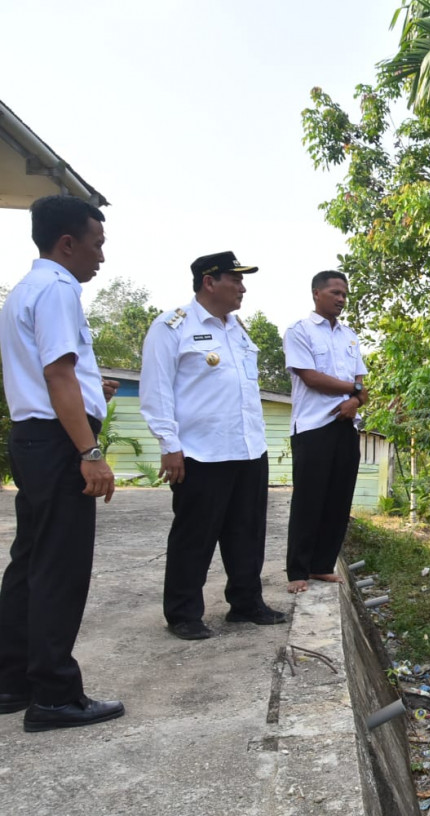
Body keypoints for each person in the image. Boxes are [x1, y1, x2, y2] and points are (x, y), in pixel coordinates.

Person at [0, 195, 125, 732]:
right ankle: (54, 694)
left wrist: (96, 390)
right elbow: (57, 376)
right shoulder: (57, 290)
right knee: (59, 567)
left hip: (31, 437)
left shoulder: (24, 290)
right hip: (57, 444)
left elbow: (50, 374)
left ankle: (11, 681)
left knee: (29, 562)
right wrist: (90, 453)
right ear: (67, 243)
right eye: (96, 245)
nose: (101, 256)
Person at [140, 251, 286, 640]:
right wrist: (169, 445)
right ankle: (184, 613)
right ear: (209, 281)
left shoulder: (237, 329)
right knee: (195, 535)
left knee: (247, 532)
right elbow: (156, 391)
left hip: (249, 449)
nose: (242, 287)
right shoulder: (172, 327)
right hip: (200, 453)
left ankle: (246, 602)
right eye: (234, 279)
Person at [282, 271, 368, 593]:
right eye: (335, 292)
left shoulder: (350, 336)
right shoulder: (299, 331)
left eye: (345, 293)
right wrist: (353, 390)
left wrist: (354, 402)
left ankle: (322, 565)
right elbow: (311, 378)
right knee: (308, 499)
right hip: (312, 427)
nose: (341, 298)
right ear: (316, 293)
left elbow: (364, 389)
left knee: (339, 499)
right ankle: (298, 572)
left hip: (345, 426)